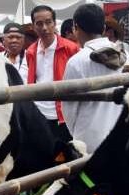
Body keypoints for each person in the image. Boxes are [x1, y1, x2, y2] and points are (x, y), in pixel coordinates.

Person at [62, 3, 129, 153]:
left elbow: (69, 109)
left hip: (89, 140)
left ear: (76, 28)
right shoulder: (126, 57)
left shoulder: (76, 62)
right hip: (122, 136)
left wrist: (77, 134)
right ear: (103, 28)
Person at [26, 5, 79, 142]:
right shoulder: (31, 51)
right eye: (39, 24)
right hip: (38, 113)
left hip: (63, 115)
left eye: (48, 22)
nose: (44, 28)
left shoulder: (70, 48)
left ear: (54, 23)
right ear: (33, 26)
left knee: (67, 157)